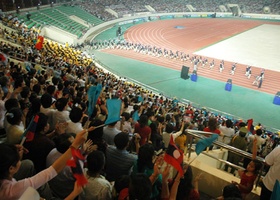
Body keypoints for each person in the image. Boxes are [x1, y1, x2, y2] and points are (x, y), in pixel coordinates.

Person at [0, 128, 88, 200]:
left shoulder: (52, 152)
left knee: (28, 164)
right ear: (11, 168)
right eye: (18, 159)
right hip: (61, 194)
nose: (20, 156)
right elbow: (50, 172)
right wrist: (75, 145)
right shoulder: (12, 191)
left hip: (52, 188)